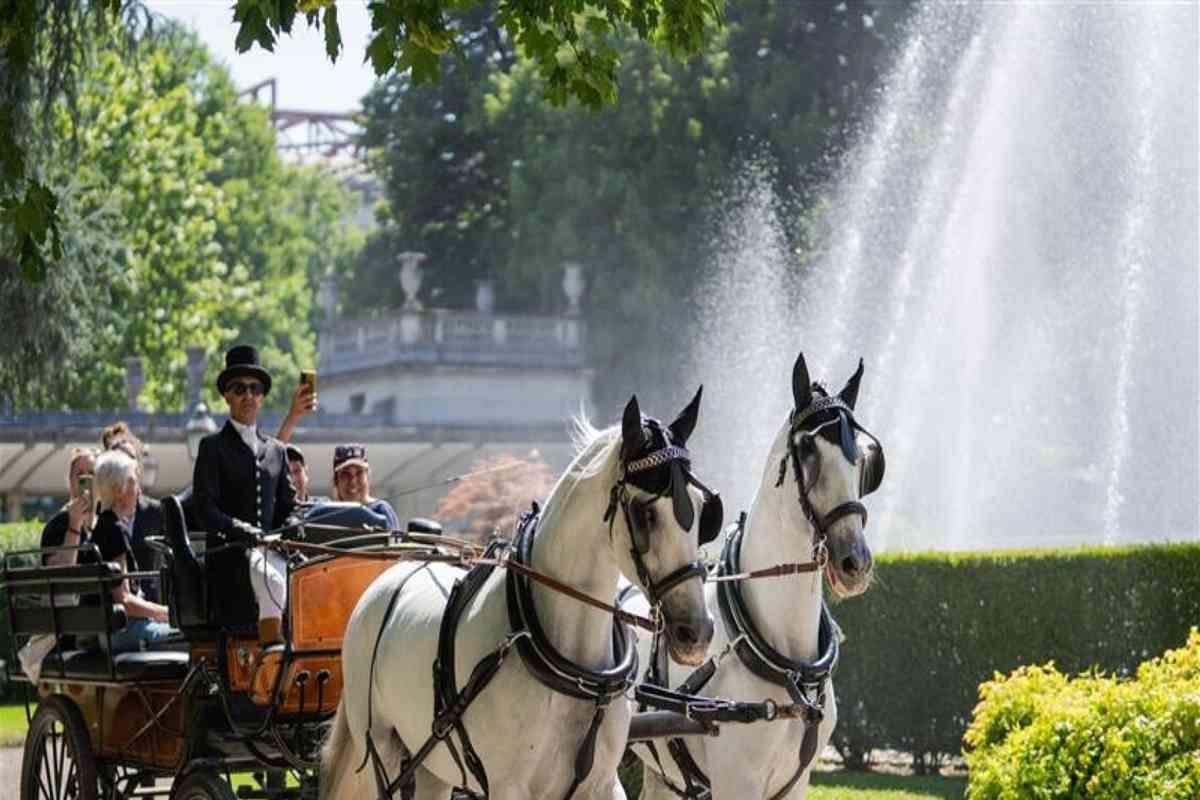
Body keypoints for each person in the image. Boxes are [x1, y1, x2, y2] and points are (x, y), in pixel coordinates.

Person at [192, 345, 298, 646]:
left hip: (273, 551)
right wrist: (245, 531)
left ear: (262, 396)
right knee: (275, 583)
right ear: (227, 396)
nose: (248, 396)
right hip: (232, 557)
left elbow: (289, 507)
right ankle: (271, 659)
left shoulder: (276, 451)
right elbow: (205, 509)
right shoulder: (212, 448)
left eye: (254, 389)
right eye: (239, 389)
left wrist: (291, 527)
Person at [90, 449, 174, 653]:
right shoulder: (114, 530)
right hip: (124, 633)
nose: (138, 492)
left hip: (111, 633)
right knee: (192, 638)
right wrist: (167, 613)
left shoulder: (102, 526)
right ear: (119, 490)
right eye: (134, 483)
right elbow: (124, 601)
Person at [99, 422, 165, 602]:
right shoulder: (102, 520)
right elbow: (124, 599)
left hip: (148, 604)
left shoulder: (156, 511)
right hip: (127, 614)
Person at [40, 448, 99, 567]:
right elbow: (58, 573)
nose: (86, 479)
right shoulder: (57, 524)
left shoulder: (106, 522)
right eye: (80, 474)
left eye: (91, 473)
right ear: (70, 480)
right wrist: (74, 525)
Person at [332, 444, 400, 529]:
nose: (353, 481)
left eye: (359, 473)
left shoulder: (381, 510)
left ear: (368, 477)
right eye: (346, 474)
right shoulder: (329, 515)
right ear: (336, 481)